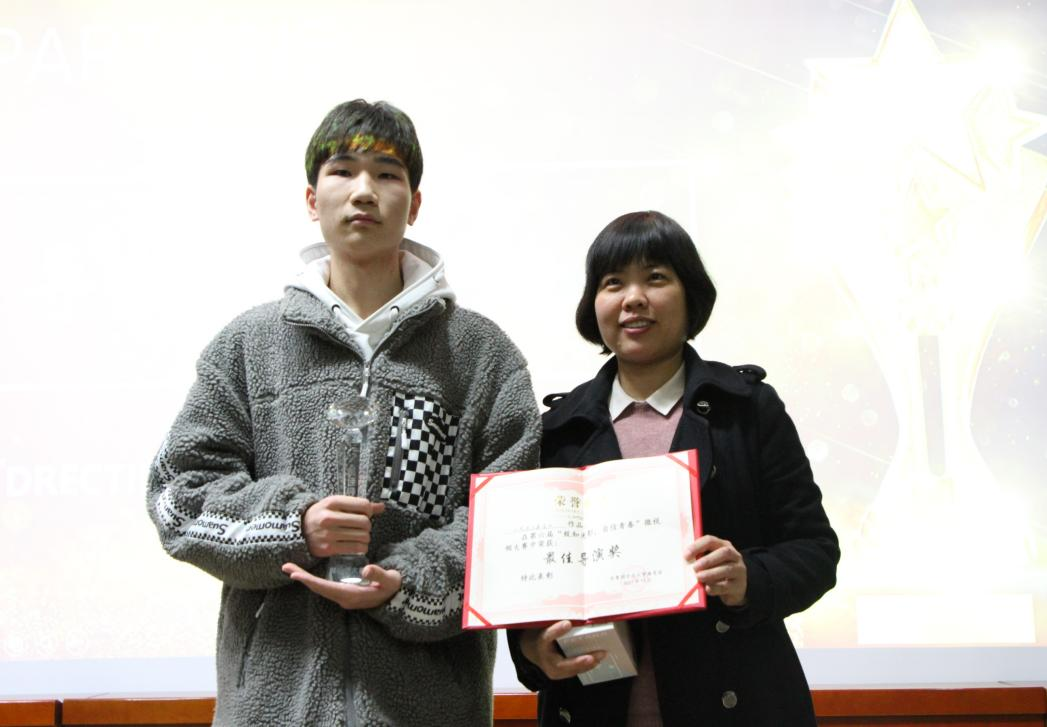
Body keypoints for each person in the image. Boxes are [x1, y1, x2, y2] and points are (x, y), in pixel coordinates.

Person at [147, 99, 541, 726]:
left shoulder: (480, 356)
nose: (363, 191)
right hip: (274, 708)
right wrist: (295, 524)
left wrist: (405, 580)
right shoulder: (248, 345)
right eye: (343, 171)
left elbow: (514, 520)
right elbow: (178, 496)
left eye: (386, 174)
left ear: (414, 204)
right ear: (312, 199)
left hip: (431, 708)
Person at [507, 211, 839, 726]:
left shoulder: (747, 410)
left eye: (656, 278)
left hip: (736, 705)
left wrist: (747, 578)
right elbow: (529, 582)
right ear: (593, 304)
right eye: (613, 283)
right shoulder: (557, 431)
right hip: (595, 708)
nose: (633, 298)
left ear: (691, 297)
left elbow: (815, 550)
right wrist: (532, 647)